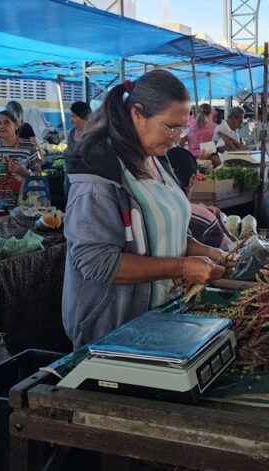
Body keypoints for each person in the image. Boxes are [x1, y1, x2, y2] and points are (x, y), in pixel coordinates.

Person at [63, 70, 228, 348]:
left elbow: (166, 233)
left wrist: (206, 251)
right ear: (138, 114)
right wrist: (183, 267)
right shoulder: (99, 175)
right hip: (114, 330)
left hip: (163, 318)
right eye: (170, 127)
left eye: (182, 129)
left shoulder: (155, 160)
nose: (177, 138)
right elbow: (97, 263)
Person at [0, 110, 41, 217]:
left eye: (6, 122)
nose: (2, 126)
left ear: (16, 125)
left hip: (18, 207)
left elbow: (38, 175)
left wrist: (24, 172)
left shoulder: (28, 147)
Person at [166, 147, 233, 250]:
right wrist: (222, 226)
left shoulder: (151, 211)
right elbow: (233, 253)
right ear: (192, 180)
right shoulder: (203, 217)